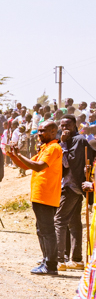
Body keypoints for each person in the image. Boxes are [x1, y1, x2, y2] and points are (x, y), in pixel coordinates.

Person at [7, 120, 63, 276]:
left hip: (47, 195)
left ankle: (51, 265)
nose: (39, 134)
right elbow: (27, 165)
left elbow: (38, 166)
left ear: (53, 132)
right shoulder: (45, 147)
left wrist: (18, 155)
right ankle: (46, 260)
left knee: (47, 230)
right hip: (39, 195)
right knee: (41, 230)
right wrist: (13, 156)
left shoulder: (53, 148)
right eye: (38, 131)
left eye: (42, 131)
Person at [57, 116, 94, 270]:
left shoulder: (77, 140)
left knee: (59, 221)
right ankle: (77, 259)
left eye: (68, 125)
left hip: (71, 186)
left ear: (75, 125)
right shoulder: (72, 140)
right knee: (74, 223)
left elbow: (66, 162)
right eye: (62, 125)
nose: (65, 128)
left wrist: (63, 143)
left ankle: (58, 260)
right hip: (75, 186)